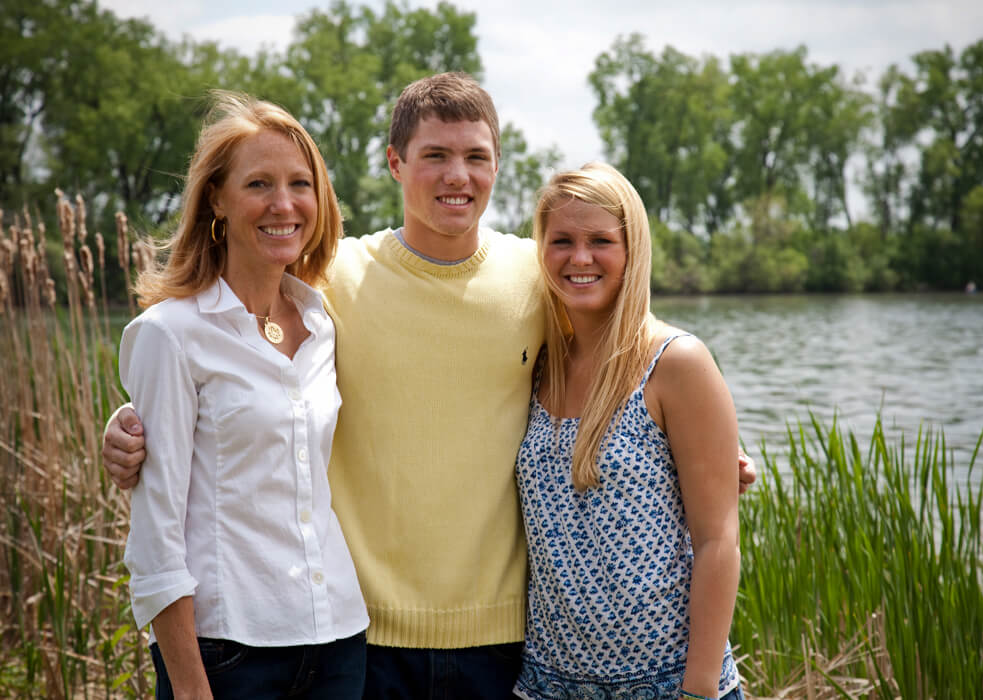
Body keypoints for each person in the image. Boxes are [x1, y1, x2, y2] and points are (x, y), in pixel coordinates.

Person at [103, 73, 756, 699]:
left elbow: (630, 339)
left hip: (508, 644)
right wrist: (134, 420)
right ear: (394, 163)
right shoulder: (333, 280)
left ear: (498, 165)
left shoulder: (540, 273)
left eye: (476, 156)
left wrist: (698, 446)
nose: (457, 175)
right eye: (435, 154)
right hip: (361, 638)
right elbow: (238, 350)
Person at [117, 91, 368, 699]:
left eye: (299, 184)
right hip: (229, 656)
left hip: (338, 641)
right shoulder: (170, 335)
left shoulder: (322, 323)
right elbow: (155, 539)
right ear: (217, 202)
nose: (283, 205)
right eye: (258, 184)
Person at [514, 162, 742, 700]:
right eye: (562, 240)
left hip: (666, 683)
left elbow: (717, 540)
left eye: (600, 240)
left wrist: (700, 689)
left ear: (632, 247)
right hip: (546, 684)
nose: (580, 257)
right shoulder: (535, 363)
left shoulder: (675, 362)